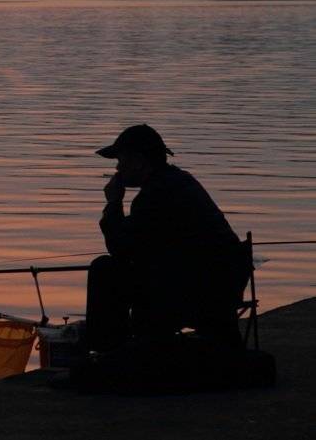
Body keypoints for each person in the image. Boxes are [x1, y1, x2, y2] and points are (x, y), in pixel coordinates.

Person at [85, 124, 249, 353]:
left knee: (105, 269)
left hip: (196, 293)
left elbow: (120, 249)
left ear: (139, 161)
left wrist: (113, 203)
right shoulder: (181, 181)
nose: (118, 167)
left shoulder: (154, 195)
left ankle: (107, 353)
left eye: (121, 160)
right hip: (223, 286)